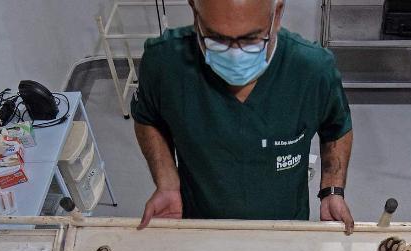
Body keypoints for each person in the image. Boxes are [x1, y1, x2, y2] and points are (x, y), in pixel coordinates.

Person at [131, 0, 355, 233]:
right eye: (217, 38)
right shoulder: (164, 63)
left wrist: (332, 190)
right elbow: (148, 118)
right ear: (195, 12)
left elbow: (337, 127)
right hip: (199, 224)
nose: (234, 55)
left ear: (277, 14)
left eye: (251, 39)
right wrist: (166, 183)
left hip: (285, 226)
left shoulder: (312, 69)